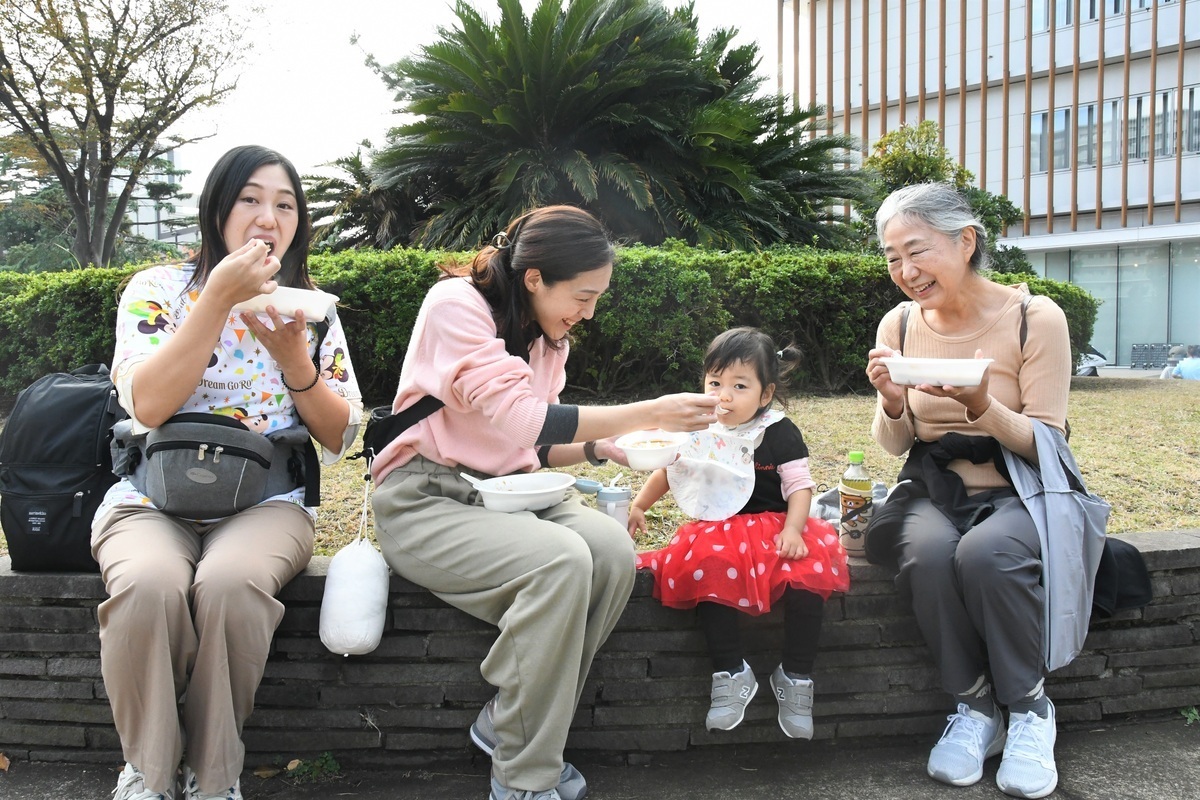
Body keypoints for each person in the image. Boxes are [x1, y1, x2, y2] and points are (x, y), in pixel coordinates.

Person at [368, 205, 720, 800]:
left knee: (609, 551)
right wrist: (652, 410)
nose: (589, 312)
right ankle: (524, 776)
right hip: (423, 498)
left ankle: (506, 721)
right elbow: (528, 417)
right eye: (583, 296)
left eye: (597, 298)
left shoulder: (547, 338)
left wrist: (602, 449)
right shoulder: (455, 306)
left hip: (508, 492)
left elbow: (534, 444)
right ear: (534, 278)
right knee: (560, 561)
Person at [93, 145, 363, 800]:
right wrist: (215, 300)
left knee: (232, 585)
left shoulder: (312, 309)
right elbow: (150, 403)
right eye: (249, 199)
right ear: (217, 209)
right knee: (150, 586)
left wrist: (296, 359)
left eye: (284, 204)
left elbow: (339, 436)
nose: (267, 217)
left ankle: (214, 779)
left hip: (267, 502)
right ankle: (149, 776)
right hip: (150, 497)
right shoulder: (156, 291)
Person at [864, 183, 1073, 800]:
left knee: (985, 556)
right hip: (935, 487)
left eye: (917, 251)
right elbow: (895, 443)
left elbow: (1048, 445)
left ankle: (1031, 710)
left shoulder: (1037, 318)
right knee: (926, 555)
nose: (905, 271)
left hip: (1021, 489)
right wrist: (891, 401)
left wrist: (983, 406)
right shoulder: (899, 323)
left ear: (966, 241)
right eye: (892, 257)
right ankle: (974, 708)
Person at [629, 327, 849, 739]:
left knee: (807, 575)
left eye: (739, 385)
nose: (723, 395)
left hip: (777, 526)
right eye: (715, 383)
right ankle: (731, 672)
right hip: (718, 528)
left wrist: (795, 530)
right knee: (708, 566)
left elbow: (800, 486)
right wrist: (640, 505)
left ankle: (796, 676)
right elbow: (670, 468)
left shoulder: (780, 432)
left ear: (765, 395)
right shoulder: (698, 426)